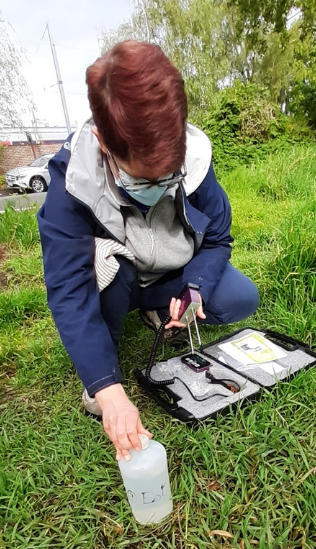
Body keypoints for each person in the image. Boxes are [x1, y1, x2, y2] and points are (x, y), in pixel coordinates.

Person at [38, 40, 262, 460]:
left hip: (168, 276)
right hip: (117, 278)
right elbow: (68, 292)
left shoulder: (194, 157)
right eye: (143, 181)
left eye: (167, 177)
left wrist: (193, 290)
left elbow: (218, 240)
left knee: (239, 296)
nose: (156, 189)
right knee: (106, 266)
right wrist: (109, 391)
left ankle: (161, 310)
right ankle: (103, 369)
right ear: (104, 144)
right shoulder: (73, 181)